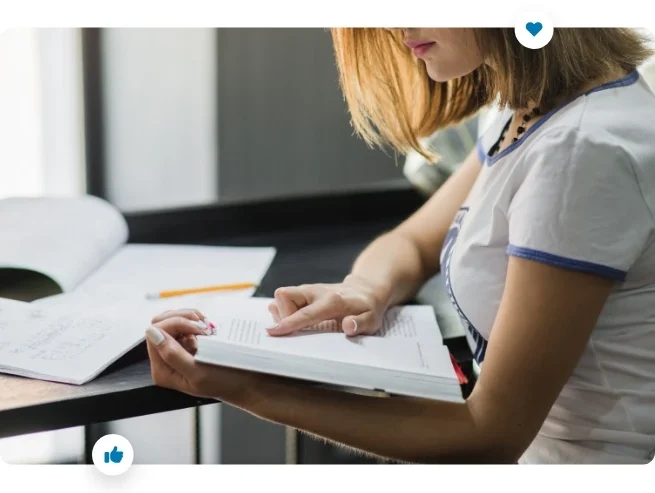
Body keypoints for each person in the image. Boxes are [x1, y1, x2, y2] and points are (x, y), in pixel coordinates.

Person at [143, 28, 655, 464]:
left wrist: (244, 386)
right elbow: (413, 242)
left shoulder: (581, 151)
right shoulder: (526, 108)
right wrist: (365, 289)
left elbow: (491, 431)